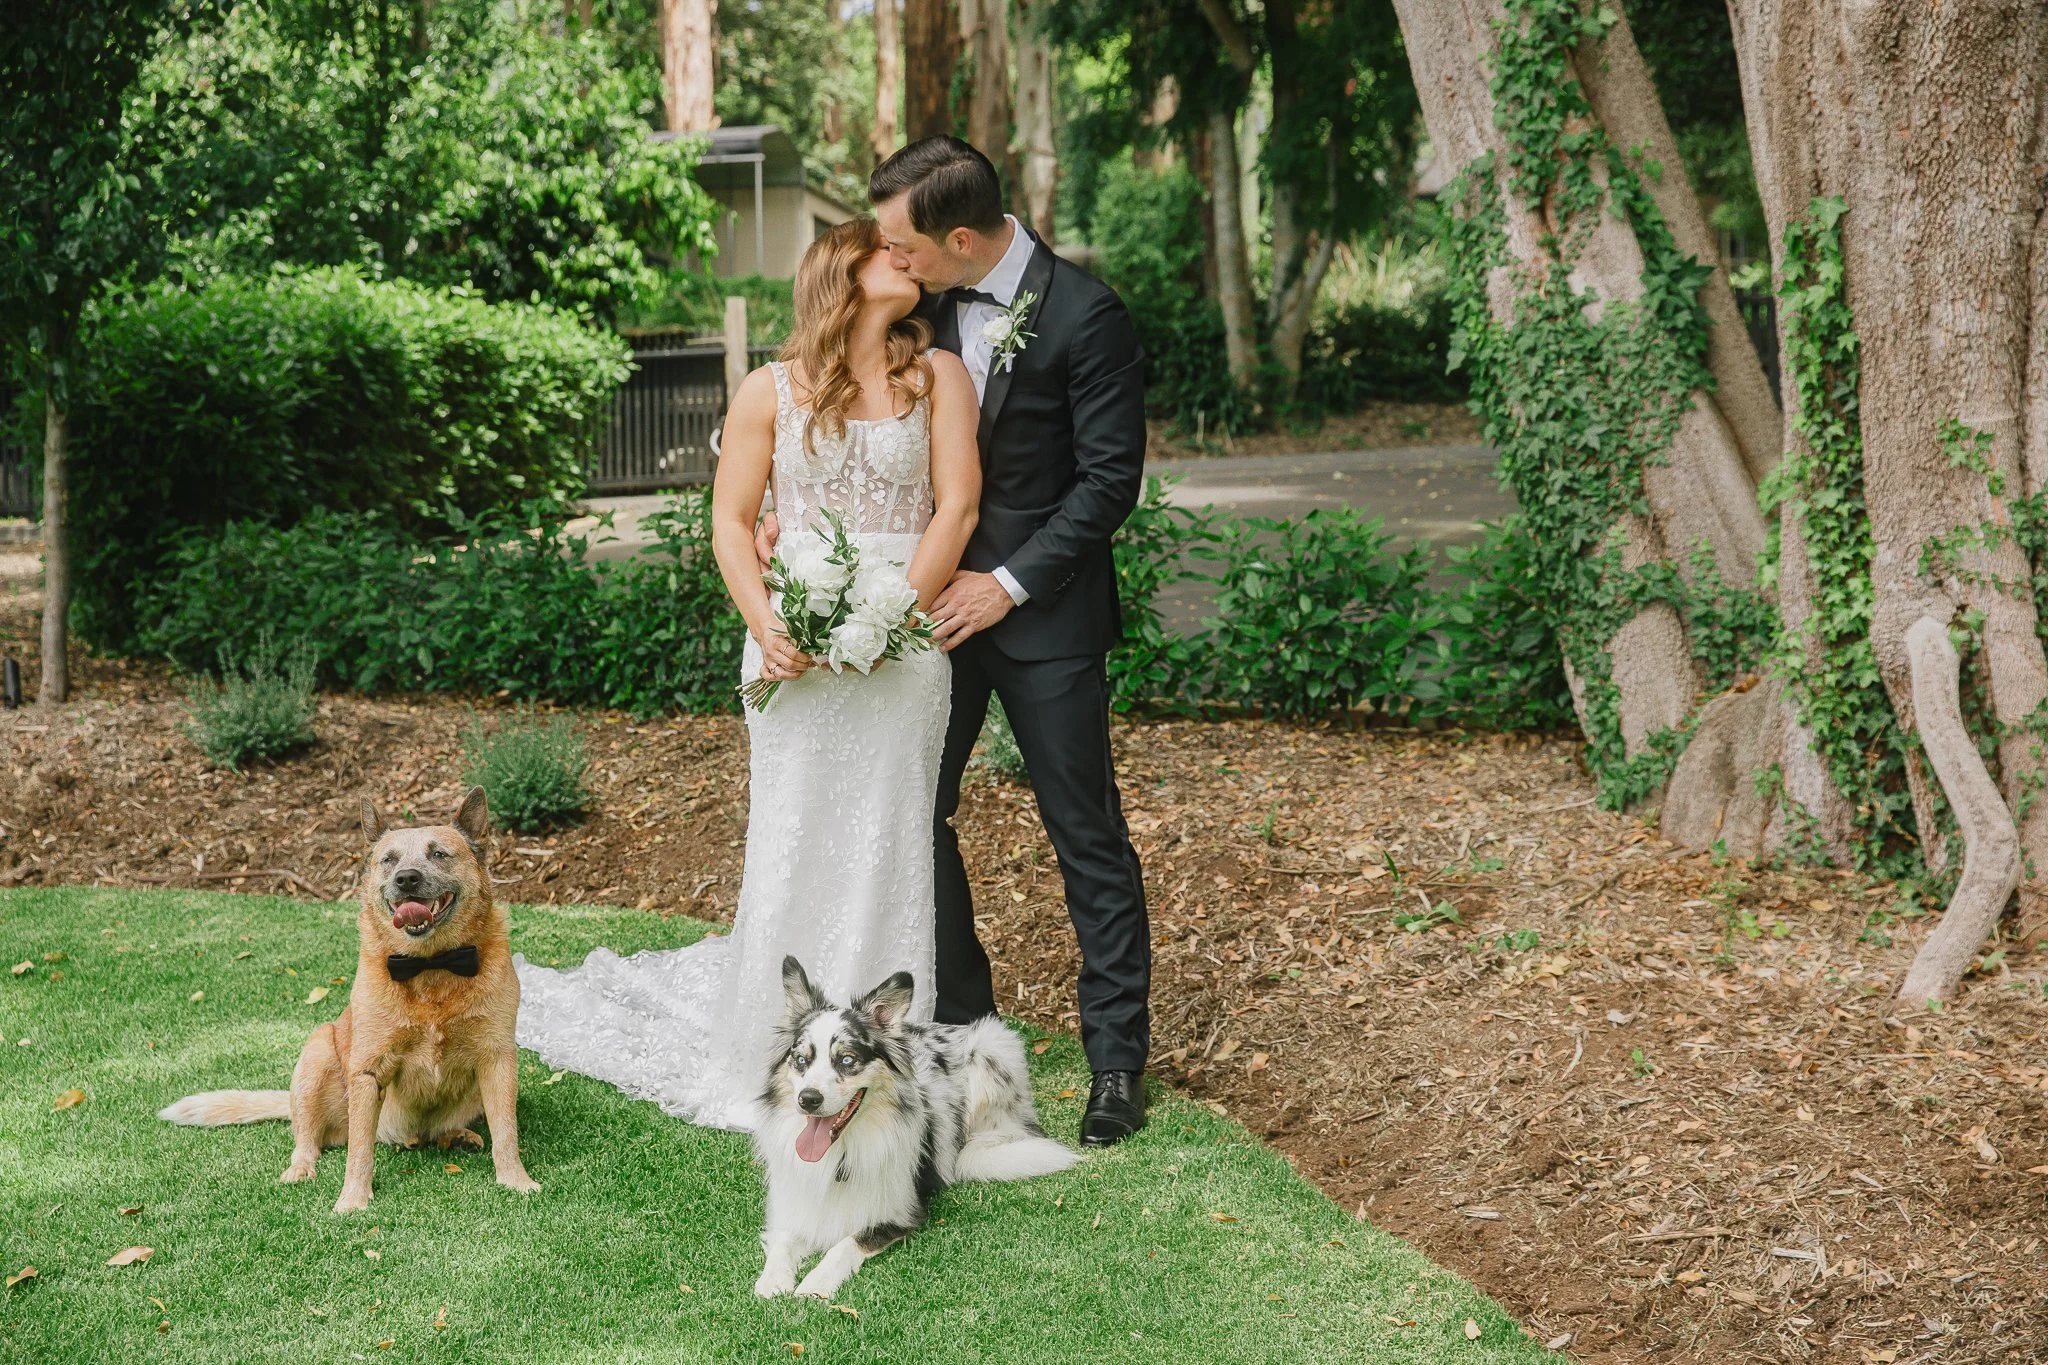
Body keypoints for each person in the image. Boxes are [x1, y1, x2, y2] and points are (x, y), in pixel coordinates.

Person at [510, 217, 980, 1130]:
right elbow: (731, 522)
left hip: (904, 645)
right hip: (791, 648)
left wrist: (894, 620)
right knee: (794, 829)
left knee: (892, 833)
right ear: (841, 273)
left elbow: (956, 507)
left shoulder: (940, 378)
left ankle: (879, 1053)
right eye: (887, 250)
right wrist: (767, 626)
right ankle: (776, 1043)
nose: (908, 257)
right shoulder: (767, 390)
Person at [758, 137, 1153, 1147]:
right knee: (909, 816)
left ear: (959, 238)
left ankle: (1114, 1060)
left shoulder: (1085, 317)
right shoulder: (917, 304)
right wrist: (781, 520)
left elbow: (1106, 483)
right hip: (908, 620)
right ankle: (967, 1019)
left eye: (899, 240)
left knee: (1083, 829)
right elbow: (837, 414)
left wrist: (1009, 583)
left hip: (1041, 620)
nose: (883, 255)